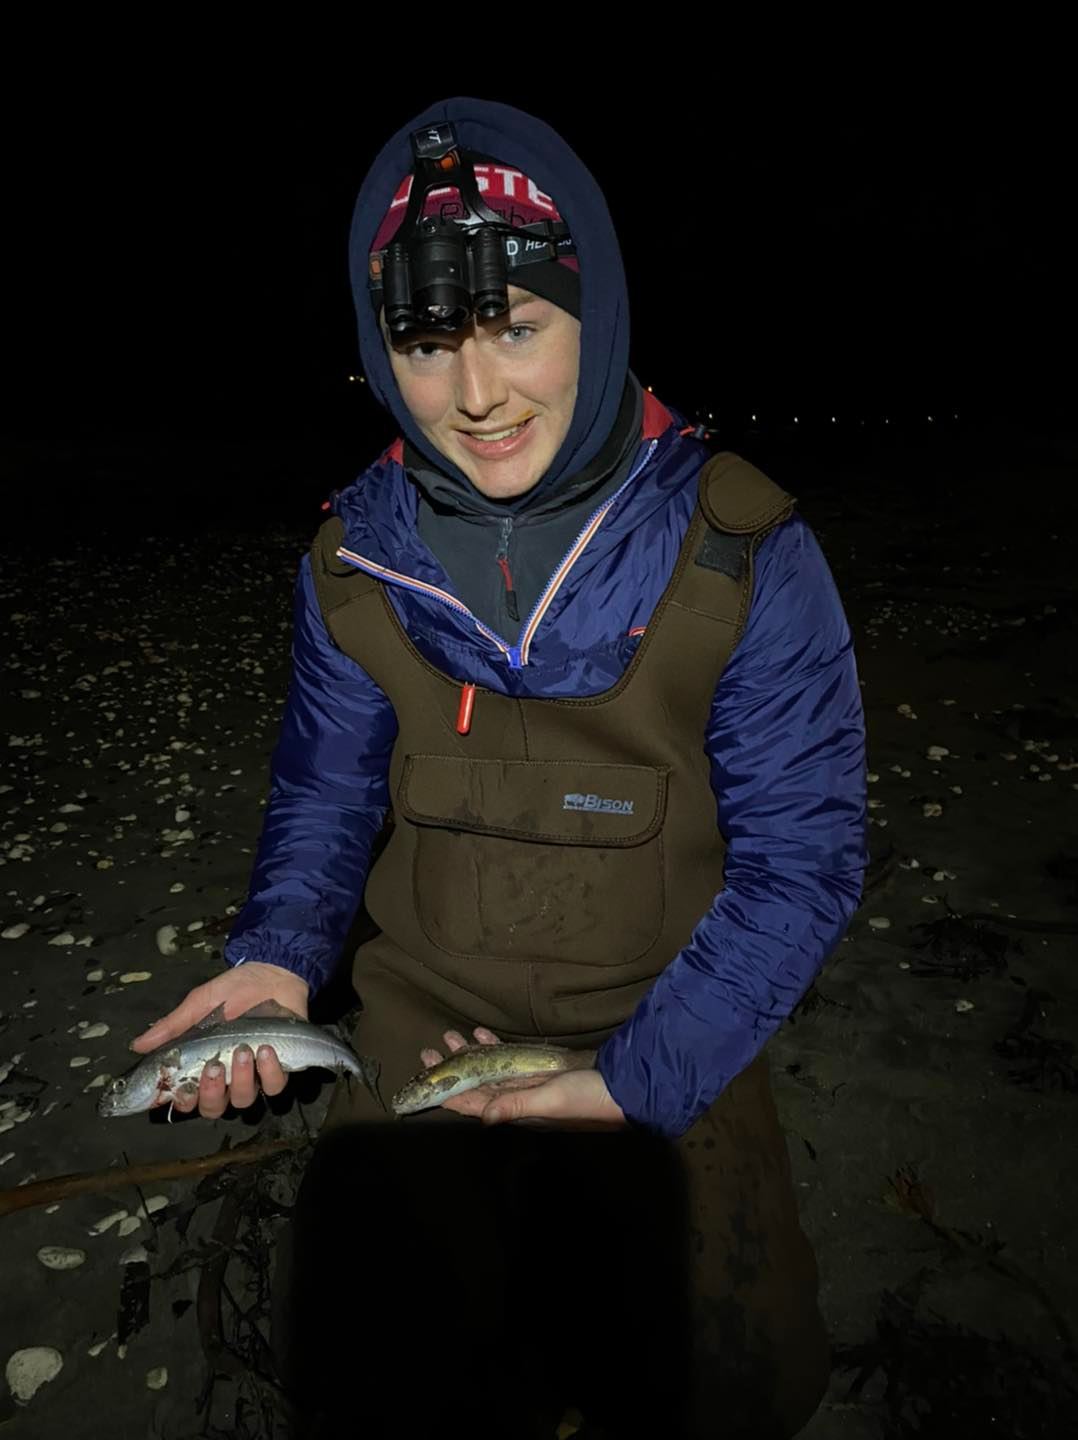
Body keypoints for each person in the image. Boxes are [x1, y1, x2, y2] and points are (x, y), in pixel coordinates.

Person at [129, 97, 867, 1439]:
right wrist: (278, 952)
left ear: (598, 316)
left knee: (713, 1383)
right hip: (420, 1031)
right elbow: (326, 794)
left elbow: (800, 861)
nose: (475, 397)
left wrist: (634, 1081)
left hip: (669, 1031)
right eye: (426, 345)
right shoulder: (350, 560)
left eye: (517, 330)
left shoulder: (746, 551)